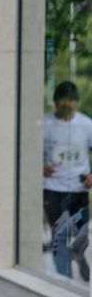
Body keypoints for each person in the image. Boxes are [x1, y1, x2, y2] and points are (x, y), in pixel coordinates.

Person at [42, 81, 92, 277]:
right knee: (59, 235)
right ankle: (65, 278)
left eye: (71, 101)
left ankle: (80, 258)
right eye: (63, 101)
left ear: (76, 102)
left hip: (79, 188)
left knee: (80, 235)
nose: (67, 105)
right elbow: (28, 151)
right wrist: (39, 166)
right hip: (53, 188)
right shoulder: (44, 124)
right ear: (55, 102)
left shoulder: (87, 125)